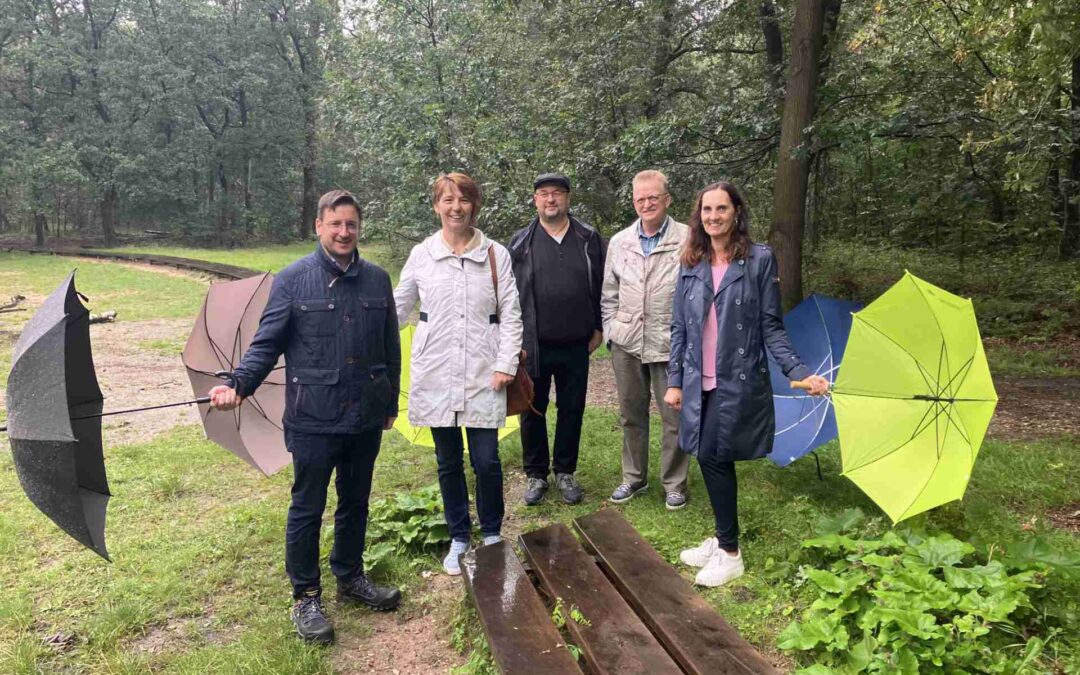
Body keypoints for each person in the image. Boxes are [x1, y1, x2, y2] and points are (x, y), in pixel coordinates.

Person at [208, 189, 402, 645]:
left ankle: (350, 577)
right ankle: (306, 596)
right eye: (335, 224)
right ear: (319, 226)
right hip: (314, 416)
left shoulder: (378, 280)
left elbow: (390, 347)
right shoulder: (294, 279)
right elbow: (266, 342)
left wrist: (389, 401)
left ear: (359, 228)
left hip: (365, 416)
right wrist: (239, 383)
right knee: (307, 507)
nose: (343, 232)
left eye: (351, 224)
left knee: (356, 501)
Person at [665, 181, 828, 587]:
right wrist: (674, 380)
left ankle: (731, 553)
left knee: (716, 457)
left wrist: (797, 372)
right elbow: (680, 326)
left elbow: (770, 324)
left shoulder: (758, 260)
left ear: (736, 212)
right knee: (705, 454)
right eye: (706, 210)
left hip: (733, 379)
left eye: (721, 209)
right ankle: (722, 539)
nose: (713, 217)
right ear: (698, 215)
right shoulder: (691, 260)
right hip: (693, 376)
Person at [393, 172, 523, 576]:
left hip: (485, 372)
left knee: (486, 459)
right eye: (447, 200)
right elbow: (396, 308)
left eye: (463, 199)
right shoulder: (422, 255)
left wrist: (506, 364)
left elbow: (512, 314)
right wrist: (360, 337)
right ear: (436, 206)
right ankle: (459, 536)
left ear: (475, 205)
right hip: (435, 371)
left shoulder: (495, 255)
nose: (456, 207)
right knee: (447, 460)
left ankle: (492, 533)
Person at [507, 172, 604, 506]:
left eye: (557, 193)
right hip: (533, 343)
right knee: (533, 407)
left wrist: (599, 327)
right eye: (544, 194)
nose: (551, 199)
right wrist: (513, 338)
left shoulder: (588, 237)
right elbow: (508, 295)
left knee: (572, 408)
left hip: (577, 342)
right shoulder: (520, 242)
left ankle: (565, 470)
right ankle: (536, 474)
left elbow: (603, 285)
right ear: (535, 200)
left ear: (567, 198)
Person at [601, 170, 691, 510]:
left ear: (667, 199)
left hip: (669, 342)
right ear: (633, 201)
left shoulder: (687, 238)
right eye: (640, 198)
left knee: (674, 417)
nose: (647, 203)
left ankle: (675, 483)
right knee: (631, 414)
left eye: (653, 197)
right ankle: (633, 477)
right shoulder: (620, 241)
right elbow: (608, 292)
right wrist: (611, 329)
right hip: (626, 342)